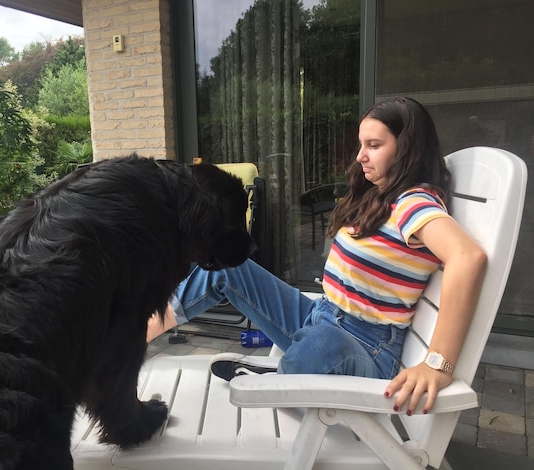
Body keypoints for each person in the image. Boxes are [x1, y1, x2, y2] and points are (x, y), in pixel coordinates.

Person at [146, 97, 487, 415]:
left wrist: (437, 364)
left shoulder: (414, 202)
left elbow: (468, 258)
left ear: (408, 148)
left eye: (374, 145)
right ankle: (135, 335)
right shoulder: (380, 196)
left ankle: (275, 382)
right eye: (362, 144)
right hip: (322, 315)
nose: (360, 156)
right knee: (229, 270)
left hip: (364, 348)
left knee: (322, 343)